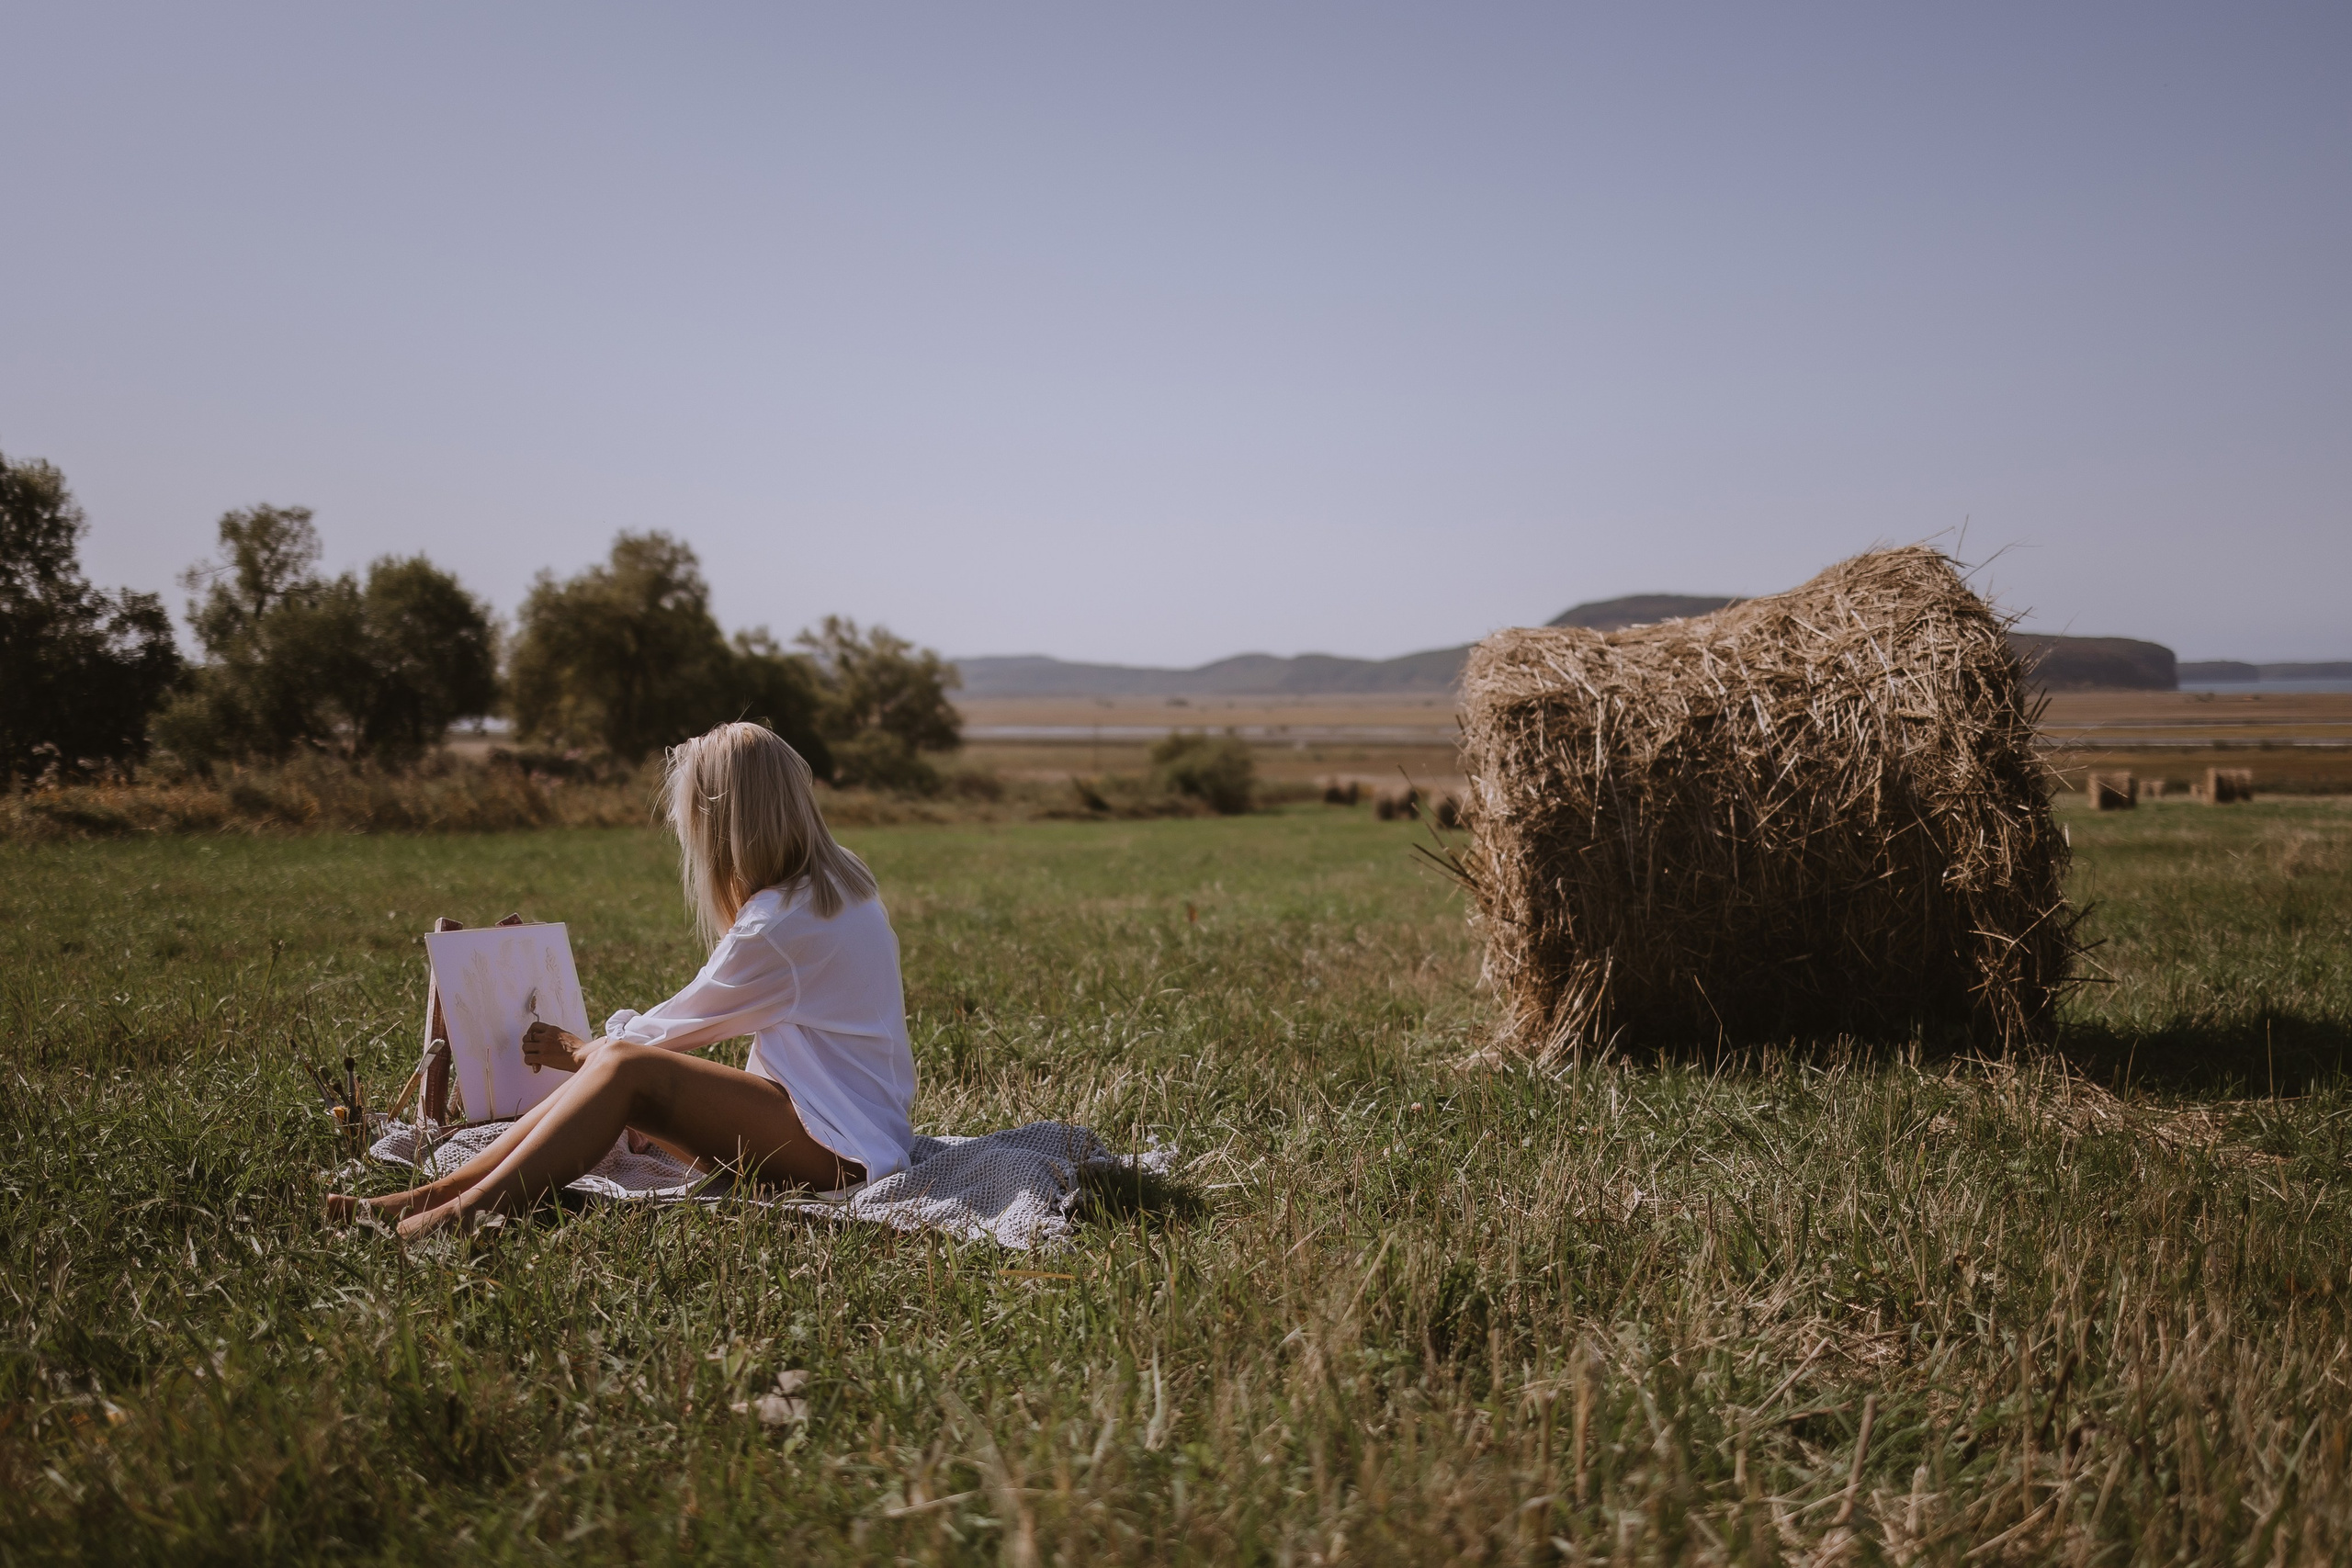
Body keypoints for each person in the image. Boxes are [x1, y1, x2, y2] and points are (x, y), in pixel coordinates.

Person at [330, 721, 917, 1239]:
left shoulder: (779, 925)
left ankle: (455, 1213)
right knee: (623, 1068)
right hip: (859, 1128)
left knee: (624, 1067)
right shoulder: (837, 883)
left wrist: (580, 1050)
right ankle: (430, 1198)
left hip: (840, 1148)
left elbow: (671, 1030)